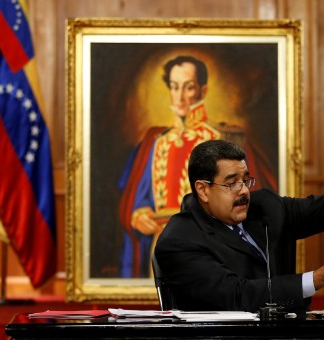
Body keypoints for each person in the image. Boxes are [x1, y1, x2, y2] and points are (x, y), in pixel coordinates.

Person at [154, 139, 324, 312]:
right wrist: (318, 279)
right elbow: (238, 295)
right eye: (232, 182)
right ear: (203, 189)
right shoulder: (179, 240)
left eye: (246, 180)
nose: (244, 191)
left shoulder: (266, 208)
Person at [117, 55, 276, 278]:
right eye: (174, 87)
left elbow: (248, 198)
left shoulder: (226, 138)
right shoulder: (156, 141)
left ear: (202, 90)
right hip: (163, 244)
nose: (180, 96)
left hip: (213, 245)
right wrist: (139, 213)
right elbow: (140, 194)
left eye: (188, 87)